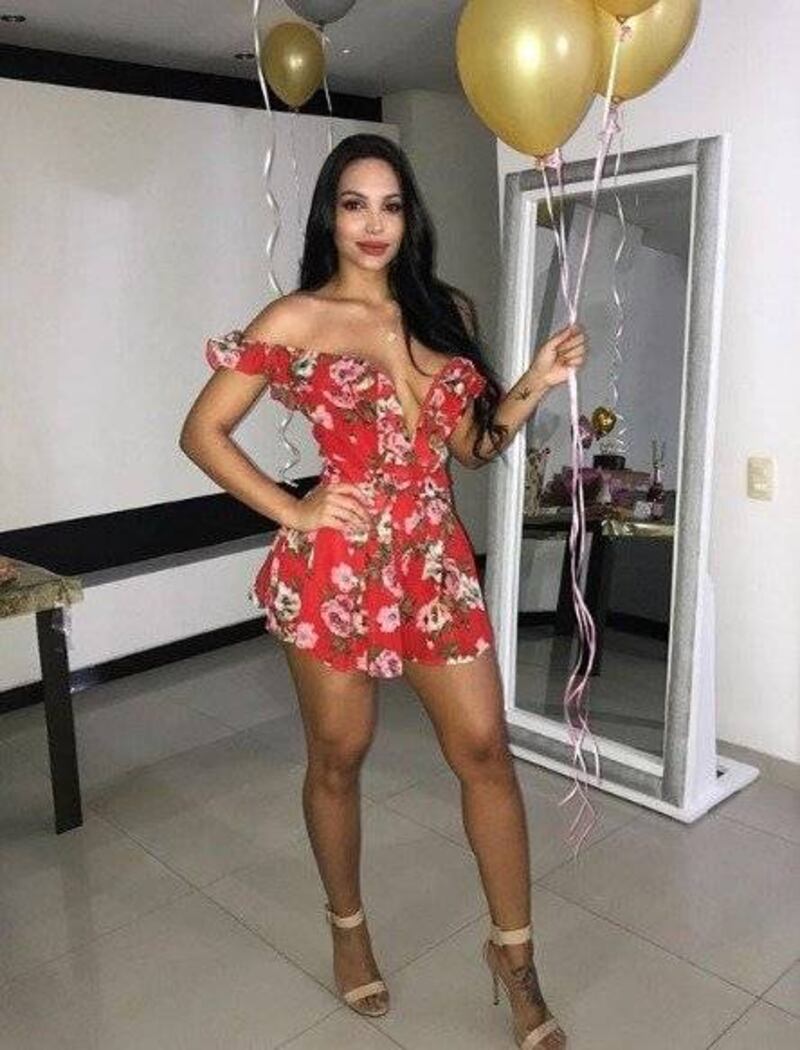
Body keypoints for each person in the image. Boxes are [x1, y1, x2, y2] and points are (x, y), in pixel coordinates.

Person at [180, 133, 586, 1050]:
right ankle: (348, 926)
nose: (373, 224)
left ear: (410, 217)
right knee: (339, 754)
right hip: (337, 565)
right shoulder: (296, 317)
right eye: (354, 204)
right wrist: (295, 509)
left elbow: (471, 448)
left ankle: (516, 962)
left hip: (433, 560)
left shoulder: (443, 309)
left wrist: (532, 382)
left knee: (484, 751)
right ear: (329, 215)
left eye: (391, 205)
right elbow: (203, 432)